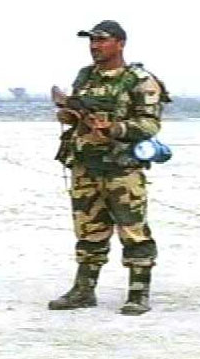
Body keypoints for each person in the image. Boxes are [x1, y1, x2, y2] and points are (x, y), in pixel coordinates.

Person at [49, 20, 170, 315]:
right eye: (92, 41)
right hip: (85, 165)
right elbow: (77, 113)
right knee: (88, 229)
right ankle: (83, 290)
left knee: (133, 230)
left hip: (122, 168)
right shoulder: (85, 76)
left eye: (102, 40)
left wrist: (115, 129)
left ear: (120, 43)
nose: (95, 46)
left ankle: (138, 294)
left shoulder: (140, 80)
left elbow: (150, 125)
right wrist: (69, 114)